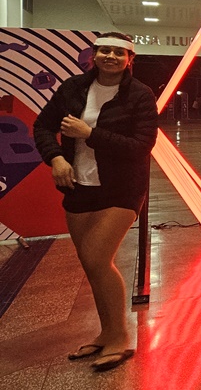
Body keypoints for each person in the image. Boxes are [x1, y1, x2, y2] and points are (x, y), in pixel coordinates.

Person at [33, 32, 158, 372]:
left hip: (122, 188)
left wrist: (90, 134)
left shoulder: (139, 95)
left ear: (129, 59)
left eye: (119, 52)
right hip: (78, 185)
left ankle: (120, 336)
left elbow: (141, 146)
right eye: (105, 50)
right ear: (94, 54)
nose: (111, 57)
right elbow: (43, 126)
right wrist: (56, 158)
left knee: (97, 258)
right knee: (91, 265)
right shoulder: (73, 88)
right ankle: (106, 332)